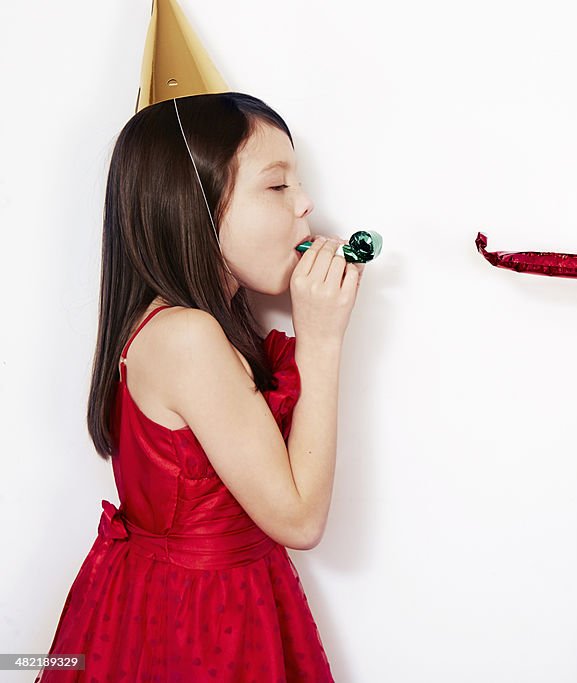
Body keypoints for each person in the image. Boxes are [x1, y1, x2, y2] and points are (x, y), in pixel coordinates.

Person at [35, 86, 361, 680]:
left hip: (179, 602)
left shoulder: (180, 326)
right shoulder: (187, 337)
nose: (305, 204)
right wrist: (322, 339)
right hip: (202, 624)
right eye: (277, 184)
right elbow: (300, 520)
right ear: (197, 205)